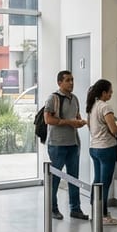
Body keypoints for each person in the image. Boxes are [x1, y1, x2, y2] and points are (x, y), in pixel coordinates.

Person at [45, 70, 88, 220]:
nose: (71, 83)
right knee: (55, 178)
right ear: (59, 82)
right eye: (68, 80)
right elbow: (48, 120)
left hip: (73, 144)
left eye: (72, 80)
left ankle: (75, 209)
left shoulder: (75, 98)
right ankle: (52, 208)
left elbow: (77, 117)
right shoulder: (53, 98)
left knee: (73, 178)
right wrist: (69, 122)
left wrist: (80, 122)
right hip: (57, 144)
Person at [86, 79, 117, 225]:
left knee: (97, 180)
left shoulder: (92, 106)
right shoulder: (105, 107)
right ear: (104, 92)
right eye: (110, 91)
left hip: (94, 147)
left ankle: (95, 211)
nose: (112, 93)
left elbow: (90, 126)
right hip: (106, 149)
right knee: (105, 183)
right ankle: (102, 215)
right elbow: (114, 130)